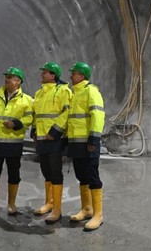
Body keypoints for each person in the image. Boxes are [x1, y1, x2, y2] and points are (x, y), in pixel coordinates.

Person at [0, 67, 33, 219]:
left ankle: (11, 205)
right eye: (6, 76)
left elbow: (29, 119)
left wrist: (16, 123)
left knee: (14, 174)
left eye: (11, 77)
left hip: (14, 143)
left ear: (19, 81)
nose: (7, 79)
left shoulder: (26, 100)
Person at [66, 62, 105, 231]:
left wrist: (93, 140)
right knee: (81, 176)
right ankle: (87, 209)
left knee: (92, 176)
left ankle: (98, 214)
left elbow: (97, 115)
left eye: (73, 73)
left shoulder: (91, 91)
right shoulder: (75, 94)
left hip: (88, 143)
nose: (70, 76)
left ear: (82, 76)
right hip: (76, 143)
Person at [31, 62, 72, 224]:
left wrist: (55, 131)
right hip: (41, 139)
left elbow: (67, 112)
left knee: (55, 172)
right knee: (46, 171)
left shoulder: (63, 91)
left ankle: (57, 210)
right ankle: (49, 203)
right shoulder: (39, 93)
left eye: (45, 73)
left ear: (53, 75)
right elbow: (37, 114)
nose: (42, 75)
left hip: (55, 139)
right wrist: (34, 130)